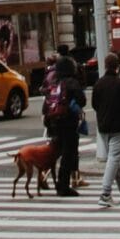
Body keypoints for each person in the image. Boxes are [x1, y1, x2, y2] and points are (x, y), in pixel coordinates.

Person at [91, 55, 120, 208]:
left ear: (105, 65)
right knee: (114, 158)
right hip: (119, 126)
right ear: (117, 67)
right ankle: (105, 193)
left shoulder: (98, 84)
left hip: (103, 127)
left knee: (113, 158)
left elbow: (94, 105)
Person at [42, 60, 84, 197]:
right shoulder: (72, 82)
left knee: (56, 151)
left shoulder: (53, 82)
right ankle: (63, 185)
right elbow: (82, 100)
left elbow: (45, 105)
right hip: (68, 122)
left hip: (53, 122)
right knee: (68, 153)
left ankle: (44, 175)